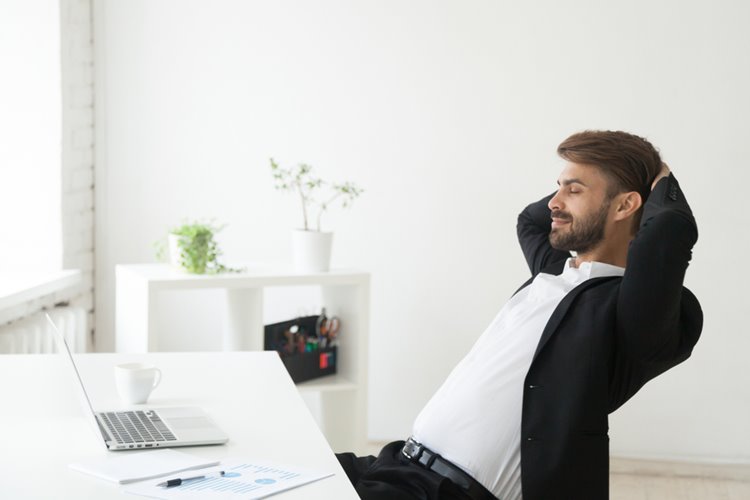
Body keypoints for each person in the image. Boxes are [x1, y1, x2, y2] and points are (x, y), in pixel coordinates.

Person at [336, 130, 703, 500]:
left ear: (625, 206)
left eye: (574, 191)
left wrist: (660, 177)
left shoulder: (632, 313)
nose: (554, 204)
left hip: (444, 494)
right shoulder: (553, 270)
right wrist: (587, 185)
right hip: (395, 464)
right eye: (557, 188)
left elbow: (668, 233)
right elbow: (530, 219)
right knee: (286, 464)